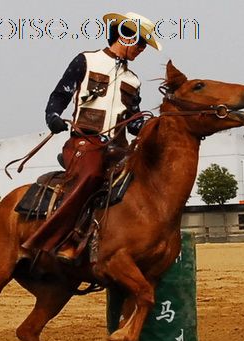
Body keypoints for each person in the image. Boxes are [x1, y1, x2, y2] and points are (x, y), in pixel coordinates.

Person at [22, 12, 161, 262]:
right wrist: (53, 116)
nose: (142, 49)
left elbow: (134, 121)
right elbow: (60, 94)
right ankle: (63, 239)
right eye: (140, 43)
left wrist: (154, 128)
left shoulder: (134, 80)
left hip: (119, 147)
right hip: (84, 143)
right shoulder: (86, 60)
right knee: (93, 175)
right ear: (125, 37)